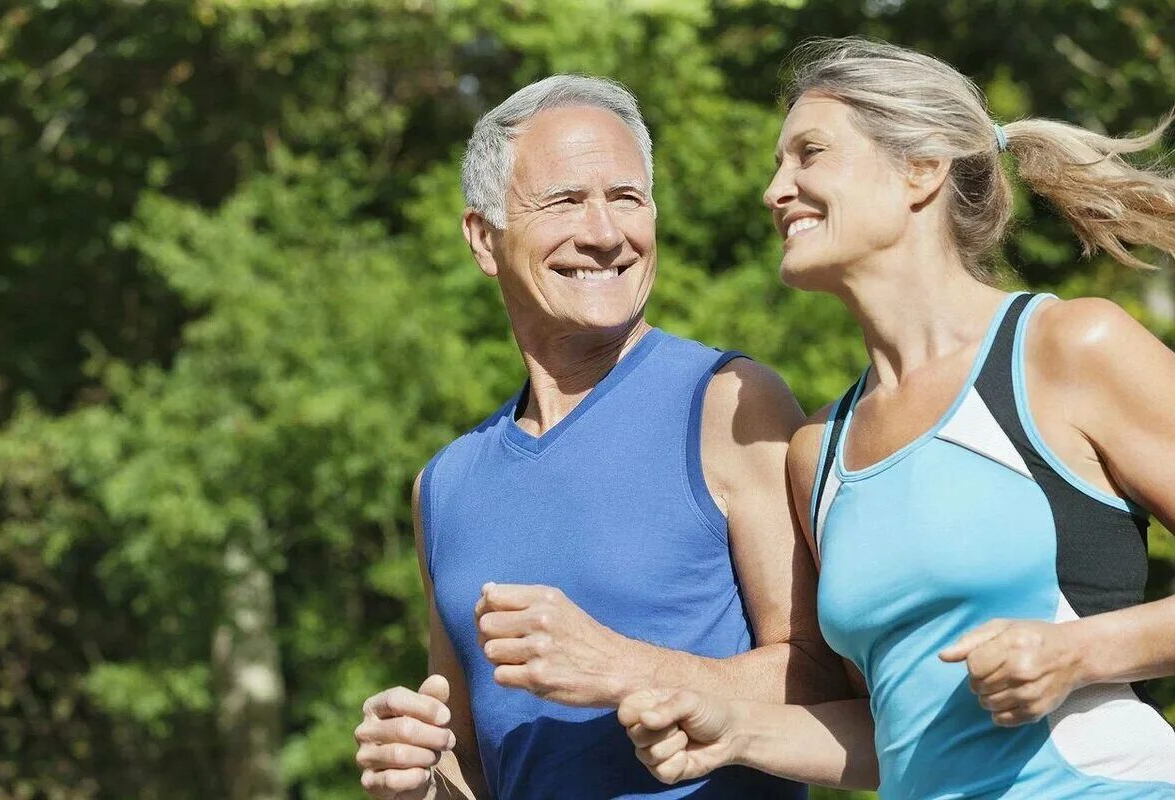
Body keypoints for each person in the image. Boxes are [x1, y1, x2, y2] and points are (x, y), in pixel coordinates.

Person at [620, 37, 1175, 798]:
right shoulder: (817, 451)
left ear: (922, 168)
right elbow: (896, 733)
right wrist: (735, 730)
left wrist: (1081, 652)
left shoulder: (1068, 348)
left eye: (810, 154)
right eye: (778, 165)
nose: (775, 191)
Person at [353, 75, 848, 799]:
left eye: (626, 198)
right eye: (564, 201)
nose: (605, 233)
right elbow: (479, 770)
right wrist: (418, 779)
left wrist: (623, 667)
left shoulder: (729, 404)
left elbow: (827, 679)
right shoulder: (445, 485)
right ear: (484, 239)